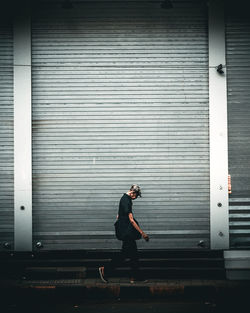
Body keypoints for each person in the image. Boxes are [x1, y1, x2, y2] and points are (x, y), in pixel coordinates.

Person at [99, 184, 149, 284]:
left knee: (133, 255)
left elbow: (118, 216)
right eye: (136, 195)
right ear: (132, 193)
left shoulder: (123, 199)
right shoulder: (127, 201)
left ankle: (134, 276)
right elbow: (131, 220)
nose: (136, 198)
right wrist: (142, 233)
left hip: (126, 232)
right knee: (125, 255)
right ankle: (105, 269)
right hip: (128, 233)